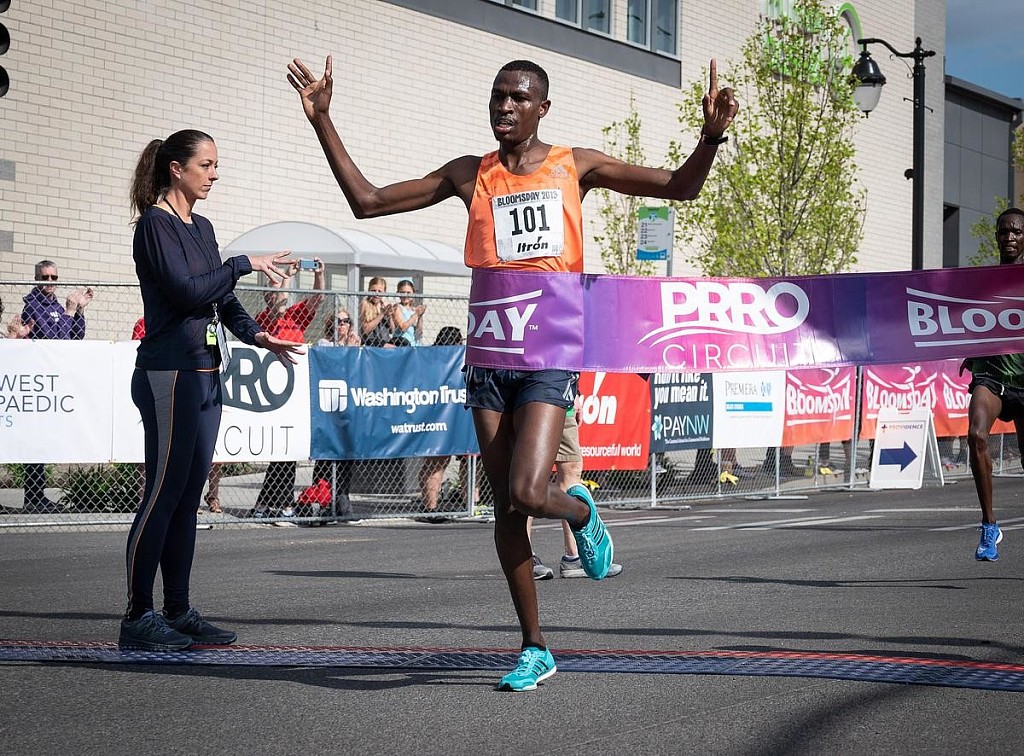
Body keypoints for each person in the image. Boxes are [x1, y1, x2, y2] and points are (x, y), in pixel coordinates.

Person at [288, 54, 736, 691]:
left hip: (550, 354)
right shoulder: (470, 174)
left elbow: (678, 187)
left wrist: (710, 138)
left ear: (542, 109)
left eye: (519, 98)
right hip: (490, 357)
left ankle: (579, 514)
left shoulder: (575, 166)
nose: (505, 106)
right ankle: (534, 646)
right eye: (498, 96)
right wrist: (323, 121)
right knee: (505, 509)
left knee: (528, 492)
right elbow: (368, 202)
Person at [122, 128, 303, 651]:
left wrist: (259, 336)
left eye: (215, 165)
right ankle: (138, 616)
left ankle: (177, 611)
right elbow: (186, 292)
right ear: (176, 168)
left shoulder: (201, 226)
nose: (214, 174)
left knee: (186, 498)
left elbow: (220, 299)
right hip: (169, 372)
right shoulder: (154, 225)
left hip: (205, 372)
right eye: (206, 165)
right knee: (161, 494)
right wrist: (241, 264)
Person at [962, 206, 1024, 562]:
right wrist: (965, 350)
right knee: (977, 435)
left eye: (1016, 231)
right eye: (1004, 231)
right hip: (992, 375)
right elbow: (965, 320)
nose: (1009, 237)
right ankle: (989, 525)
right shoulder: (982, 280)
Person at [248, 259, 326, 520]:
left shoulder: (296, 316)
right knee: (281, 450)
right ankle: (278, 504)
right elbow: (275, 310)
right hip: (272, 389)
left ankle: (270, 504)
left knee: (289, 451)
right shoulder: (263, 318)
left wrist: (319, 275)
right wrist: (286, 278)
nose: (278, 295)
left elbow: (317, 300)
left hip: (296, 390)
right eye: (273, 291)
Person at [19, 260, 94, 513]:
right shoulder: (32, 307)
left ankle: (37, 496)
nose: (50, 282)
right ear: (36, 279)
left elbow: (74, 337)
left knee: (43, 440)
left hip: (54, 381)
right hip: (38, 380)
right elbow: (55, 340)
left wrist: (78, 312)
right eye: (45, 277)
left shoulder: (56, 306)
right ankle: (33, 497)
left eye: (54, 278)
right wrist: (69, 312)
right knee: (35, 440)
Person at [132, 316, 222, 513]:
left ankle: (205, 497)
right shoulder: (149, 322)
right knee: (163, 460)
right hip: (168, 384)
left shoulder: (207, 319)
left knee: (203, 453)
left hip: (205, 381)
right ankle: (147, 498)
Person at [530, 407, 622, 579]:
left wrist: (576, 394)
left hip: (562, 401)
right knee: (530, 476)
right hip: (529, 402)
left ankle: (574, 557)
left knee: (571, 469)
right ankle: (525, 557)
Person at [307, 308, 361, 519]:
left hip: (347, 408)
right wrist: (348, 351)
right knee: (326, 456)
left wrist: (354, 350)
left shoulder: (355, 344)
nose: (342, 325)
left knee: (346, 456)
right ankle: (320, 499)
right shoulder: (324, 344)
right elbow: (330, 369)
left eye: (346, 321)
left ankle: (342, 500)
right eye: (338, 321)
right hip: (327, 409)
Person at [359, 276, 393, 347]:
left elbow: (392, 330)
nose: (376, 294)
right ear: (369, 290)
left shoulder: (384, 304)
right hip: (371, 342)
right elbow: (366, 330)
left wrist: (389, 316)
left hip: (385, 340)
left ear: (384, 292)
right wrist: (381, 314)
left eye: (379, 291)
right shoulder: (365, 304)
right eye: (373, 291)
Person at [391, 278, 425, 346]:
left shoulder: (414, 310)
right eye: (402, 292)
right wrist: (416, 315)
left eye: (408, 292)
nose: (405, 295)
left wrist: (420, 315)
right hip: (401, 344)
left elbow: (419, 332)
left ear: (413, 293)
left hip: (413, 344)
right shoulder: (397, 307)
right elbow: (402, 327)